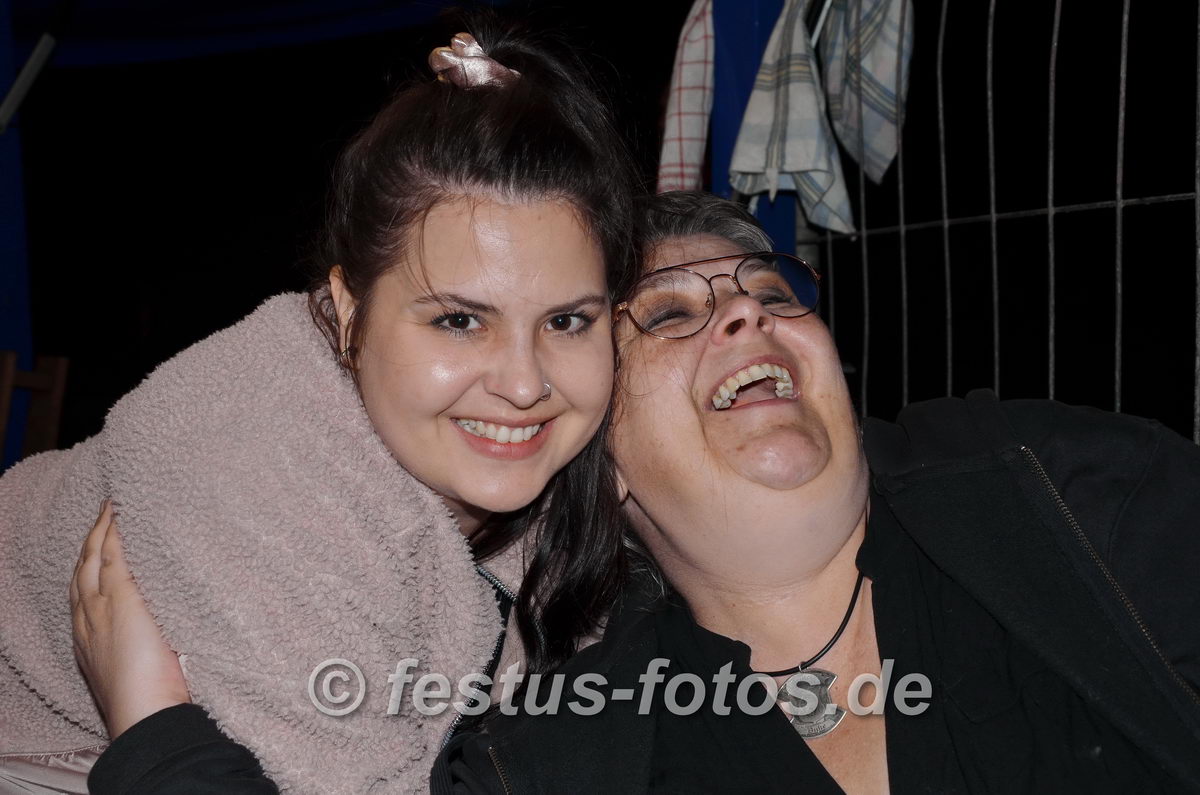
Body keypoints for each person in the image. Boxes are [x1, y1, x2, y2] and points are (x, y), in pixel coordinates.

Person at [1, 19, 636, 793]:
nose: (525, 382)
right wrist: (156, 733)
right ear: (346, 312)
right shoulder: (258, 479)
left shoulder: (581, 476)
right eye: (459, 320)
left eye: (566, 321)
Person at [432, 191, 1200, 792]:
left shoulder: (1065, 496)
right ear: (602, 464)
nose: (746, 309)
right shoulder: (555, 764)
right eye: (669, 312)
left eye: (774, 293)